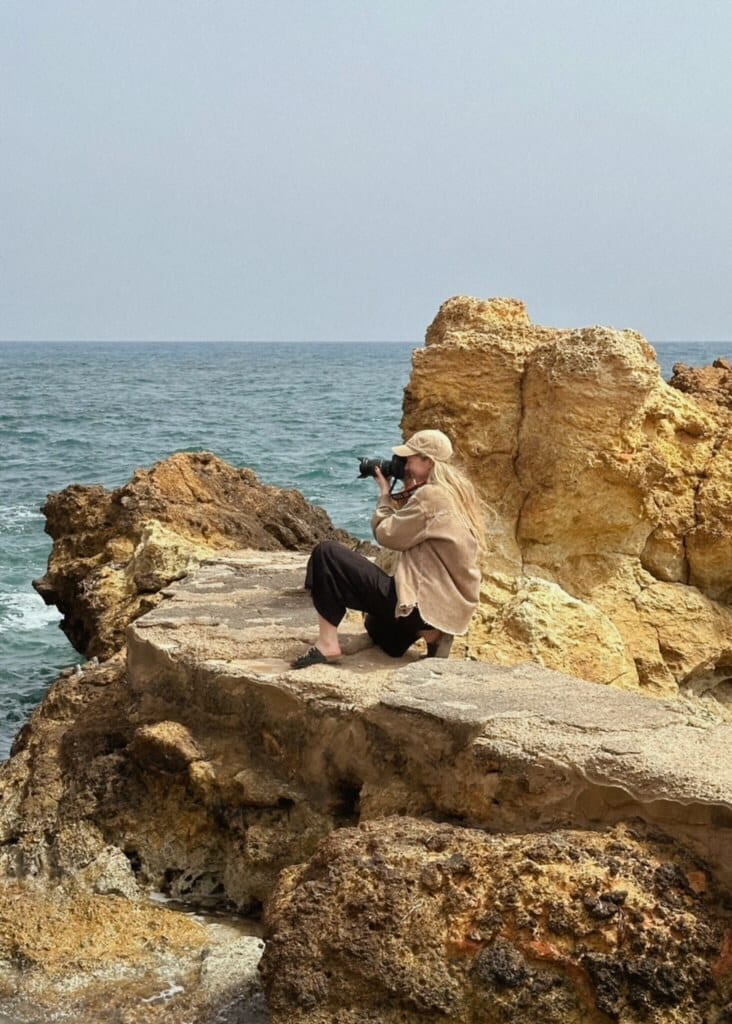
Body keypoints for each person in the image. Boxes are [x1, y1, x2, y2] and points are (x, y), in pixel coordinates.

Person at [291, 428, 484, 669]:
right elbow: (419, 526)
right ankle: (431, 634)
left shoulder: (431, 496)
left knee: (326, 553)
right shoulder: (458, 492)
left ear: (428, 462)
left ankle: (327, 644)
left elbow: (387, 534)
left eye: (410, 460)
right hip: (447, 604)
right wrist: (407, 489)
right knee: (380, 633)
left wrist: (385, 494)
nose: (405, 466)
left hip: (422, 603)